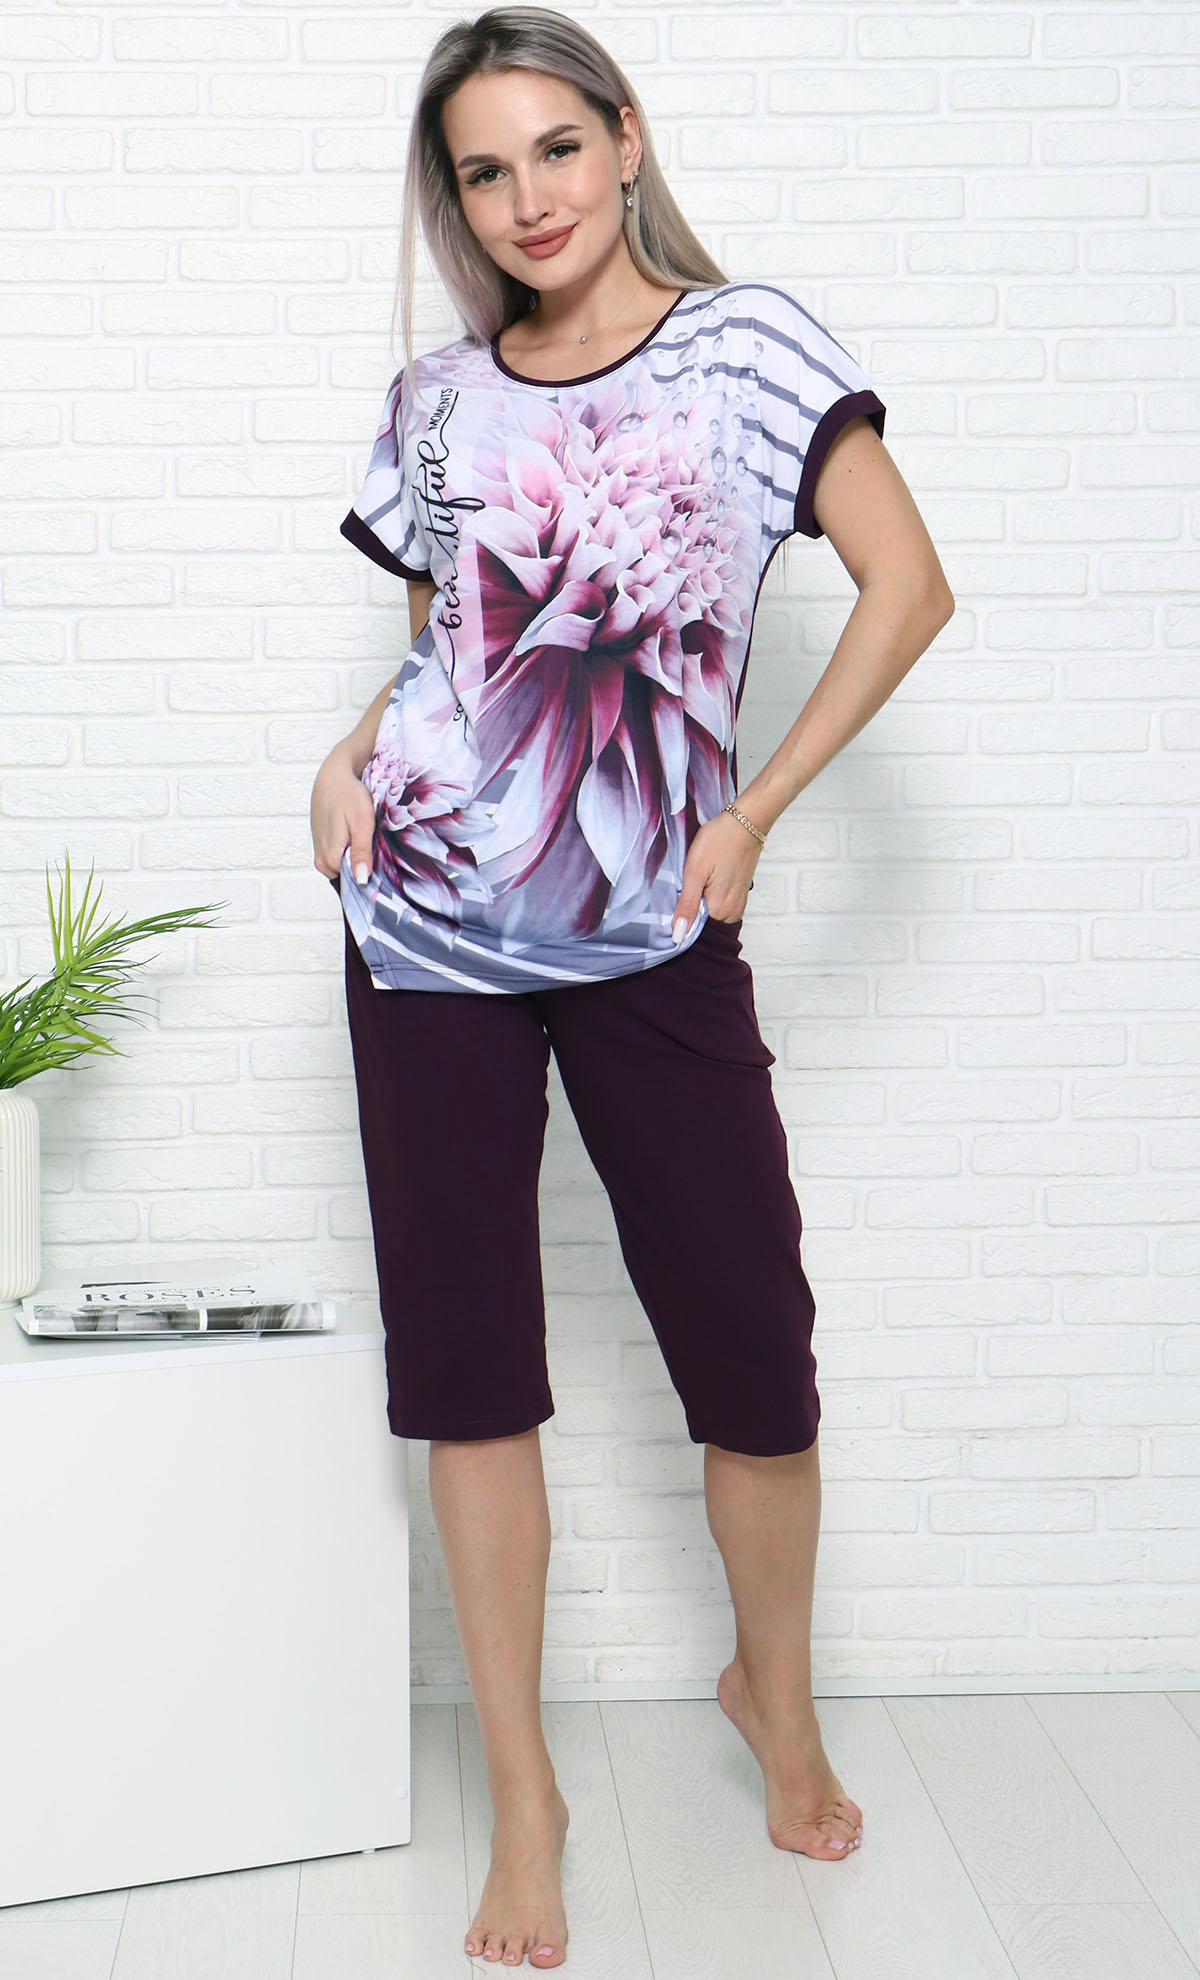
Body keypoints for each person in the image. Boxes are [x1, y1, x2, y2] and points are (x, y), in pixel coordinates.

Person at [310, 8, 954, 1968]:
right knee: (470, 1372)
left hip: (653, 932)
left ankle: (776, 1695)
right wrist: (347, 753)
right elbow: (450, 644)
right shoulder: (438, 394)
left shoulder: (746, 350)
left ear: (625, 137)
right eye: (484, 173)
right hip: (424, 928)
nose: (528, 200)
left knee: (752, 1351)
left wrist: (750, 814)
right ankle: (528, 1797)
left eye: (555, 150)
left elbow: (911, 587)